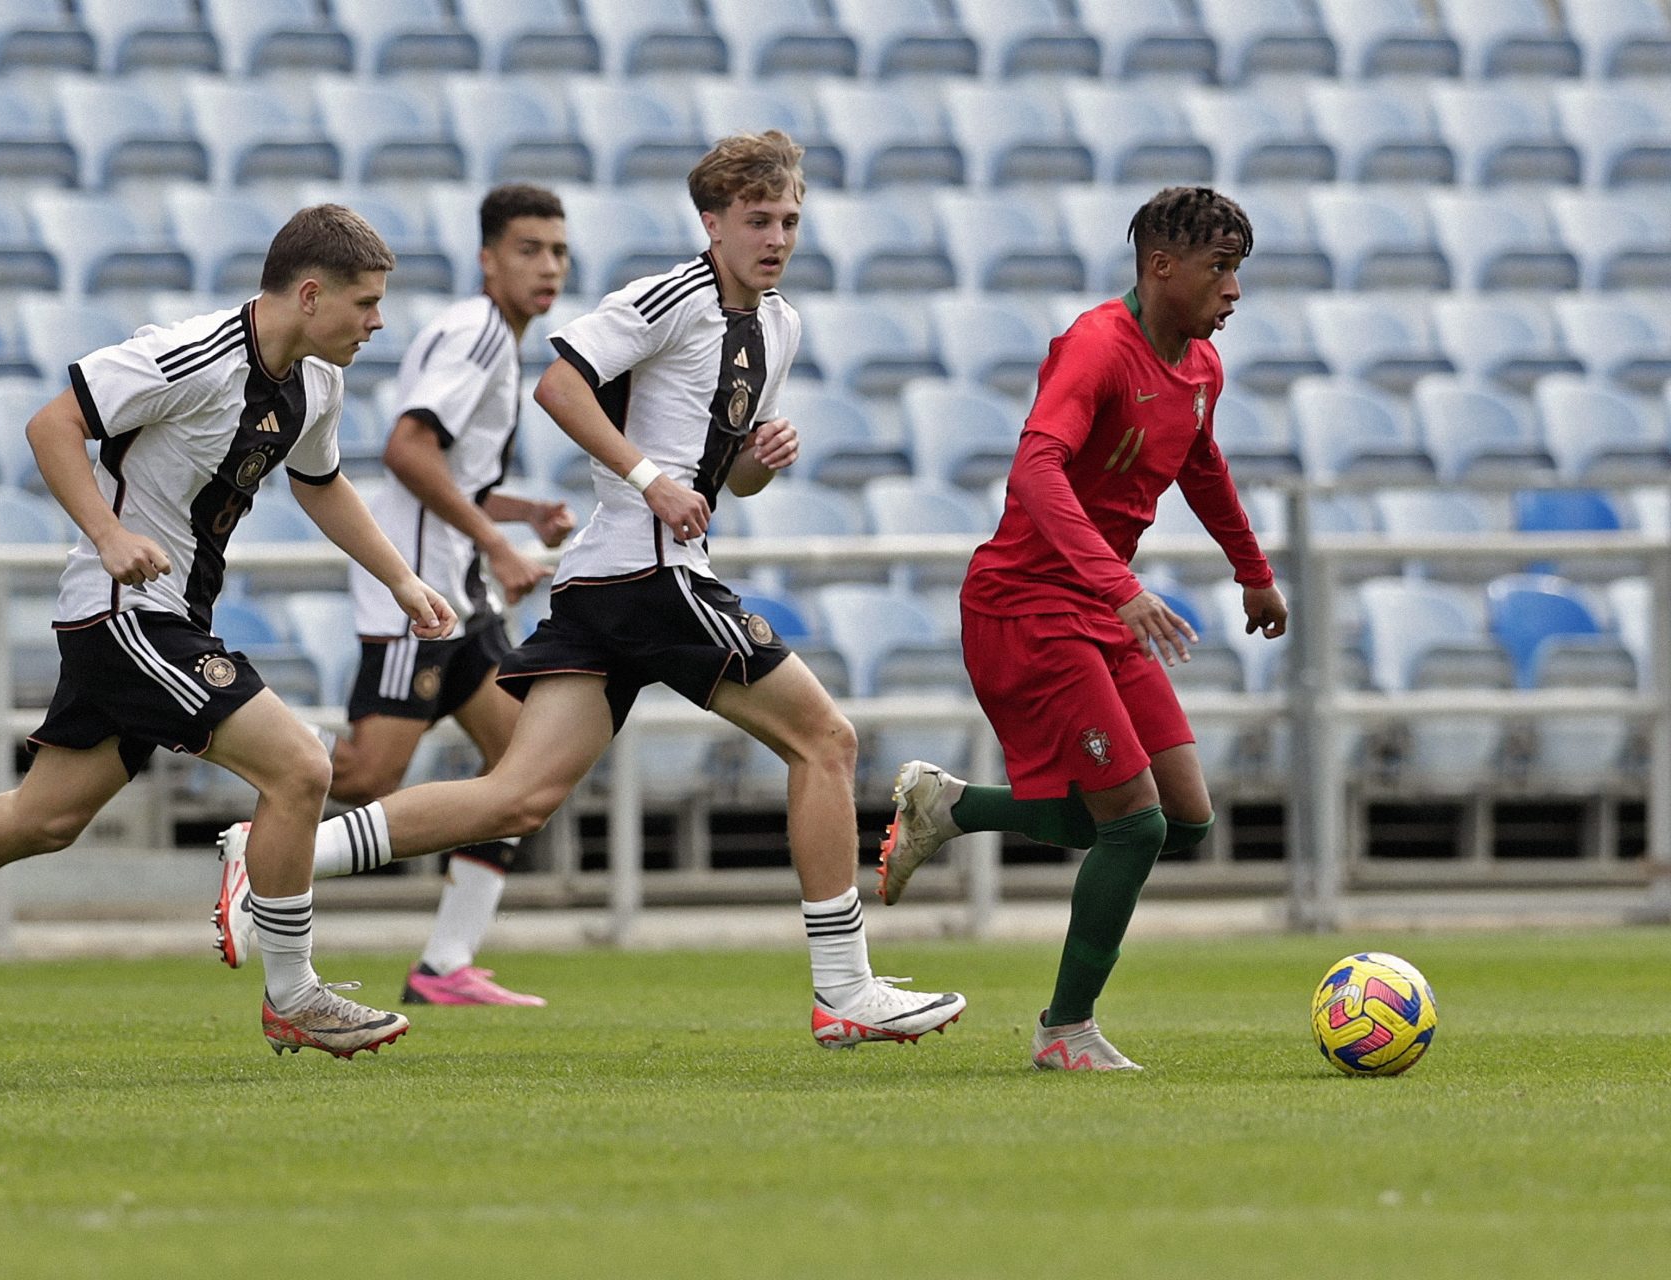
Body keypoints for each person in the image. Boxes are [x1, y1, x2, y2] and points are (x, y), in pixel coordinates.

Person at [220, 131, 965, 1048]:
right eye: (759, 220)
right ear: (714, 223)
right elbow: (563, 389)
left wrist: (763, 462)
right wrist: (648, 476)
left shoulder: (780, 325)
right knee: (827, 740)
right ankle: (844, 990)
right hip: (648, 573)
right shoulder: (668, 296)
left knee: (514, 799)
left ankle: (272, 865)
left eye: (791, 221)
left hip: (608, 586)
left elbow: (727, 477)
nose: (778, 237)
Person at [0, 205, 457, 1058]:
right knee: (300, 767)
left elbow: (320, 484)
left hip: (164, 616)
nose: (378, 322)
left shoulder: (316, 380)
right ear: (311, 293)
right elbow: (51, 424)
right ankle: (294, 995)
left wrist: (398, 578)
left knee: (45, 817)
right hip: (126, 617)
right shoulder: (192, 354)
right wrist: (108, 537)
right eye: (366, 303)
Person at [879, 186, 1287, 1071]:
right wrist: (1119, 583)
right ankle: (1065, 1031)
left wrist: (1253, 574)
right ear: (1160, 267)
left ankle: (950, 807)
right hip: (1025, 606)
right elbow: (1035, 468)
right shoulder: (1099, 346)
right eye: (1220, 270)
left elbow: (1201, 465)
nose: (1234, 291)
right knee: (1132, 827)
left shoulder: (1201, 369)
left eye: (1239, 271)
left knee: (1183, 823)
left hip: (1093, 609)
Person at [214, 185, 575, 1007]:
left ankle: (446, 963)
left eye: (557, 250)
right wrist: (498, 543)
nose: (547, 266)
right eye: (528, 249)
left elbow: (452, 470)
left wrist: (515, 511)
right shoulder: (480, 334)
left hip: (464, 597)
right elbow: (410, 452)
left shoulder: (499, 341)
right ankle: (259, 842)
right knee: (370, 774)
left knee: (529, 769)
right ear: (488, 259)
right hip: (427, 595)